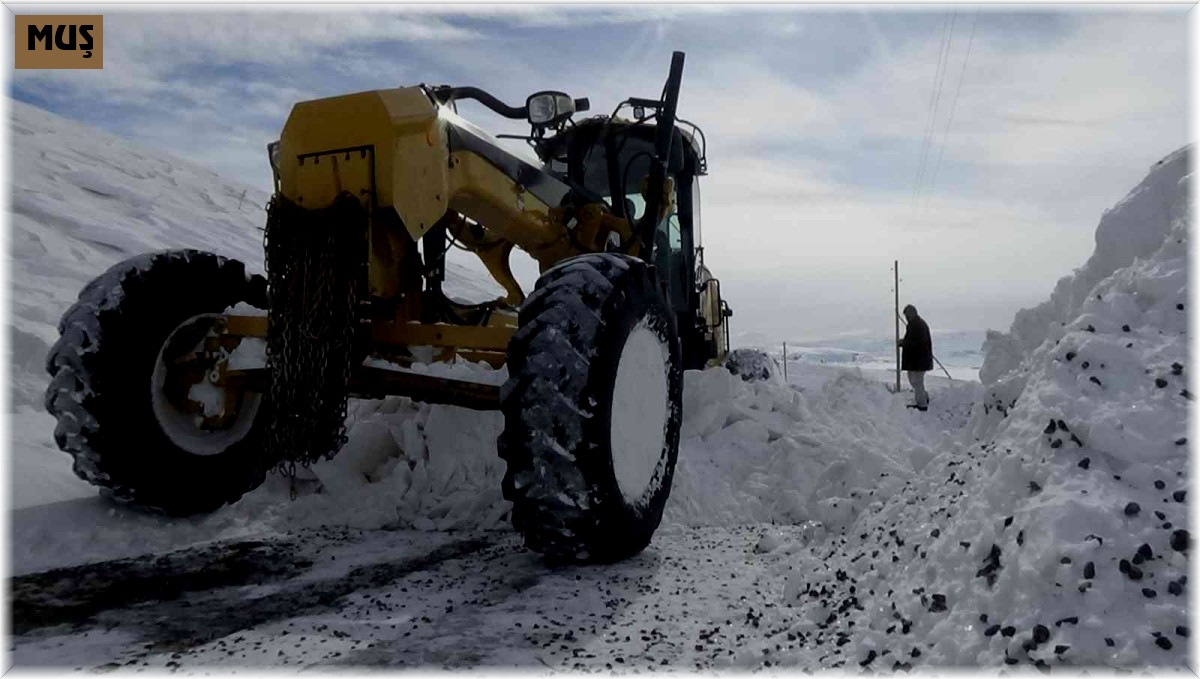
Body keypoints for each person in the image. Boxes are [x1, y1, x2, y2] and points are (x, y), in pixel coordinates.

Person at [898, 304, 933, 411]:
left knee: (917, 382)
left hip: (919, 360)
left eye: (907, 315)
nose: (906, 318)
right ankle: (924, 398)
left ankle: (922, 405)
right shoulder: (915, 324)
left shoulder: (917, 325)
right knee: (914, 381)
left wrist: (903, 343)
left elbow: (916, 342)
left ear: (912, 313)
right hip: (916, 360)